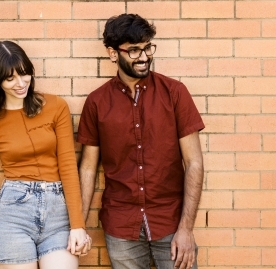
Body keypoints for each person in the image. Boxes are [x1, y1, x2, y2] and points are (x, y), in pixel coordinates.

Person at [77, 14, 205, 269]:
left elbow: (194, 163)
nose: (144, 57)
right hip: (121, 224)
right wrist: (78, 225)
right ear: (113, 54)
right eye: (134, 51)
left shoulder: (175, 93)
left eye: (147, 47)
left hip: (170, 221)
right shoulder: (97, 103)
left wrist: (186, 229)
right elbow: (88, 168)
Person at [0, 41, 91, 269]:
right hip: (13, 220)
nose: (20, 83)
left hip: (58, 216)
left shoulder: (56, 107)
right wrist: (10, 208)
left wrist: (78, 225)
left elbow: (68, 168)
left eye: (24, 74)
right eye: (10, 78)